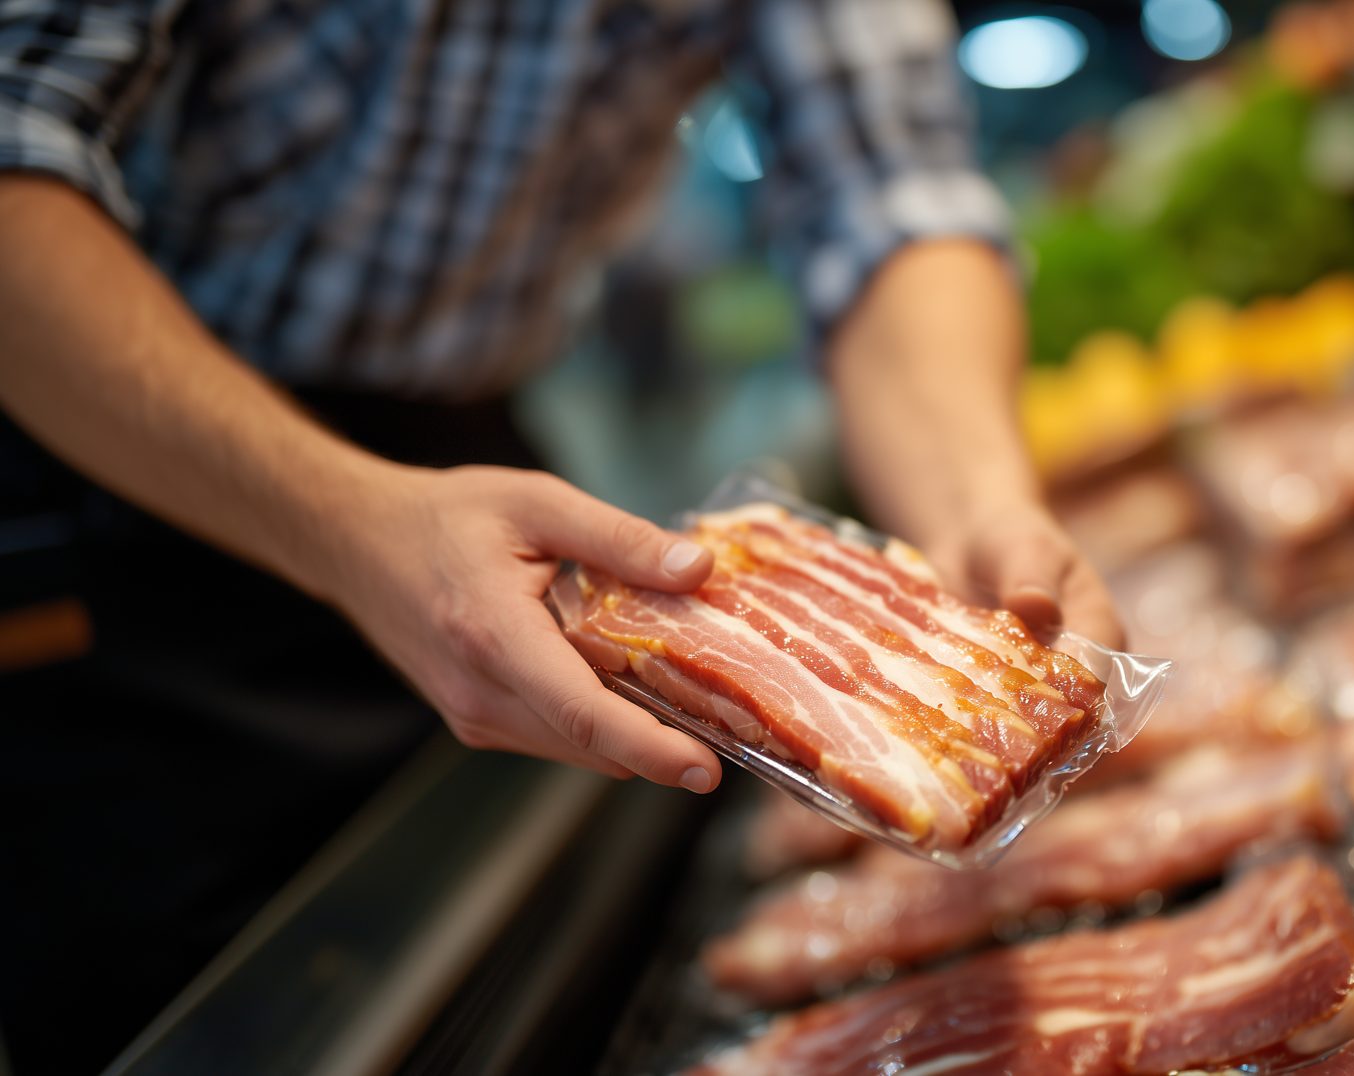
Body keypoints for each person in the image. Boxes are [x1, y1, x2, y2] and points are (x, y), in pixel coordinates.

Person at [0, 0, 1120, 1069]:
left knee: (455, 928)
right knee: (220, 997)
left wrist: (976, 501)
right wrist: (344, 523)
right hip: (107, 439)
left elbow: (890, 194)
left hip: (459, 442)